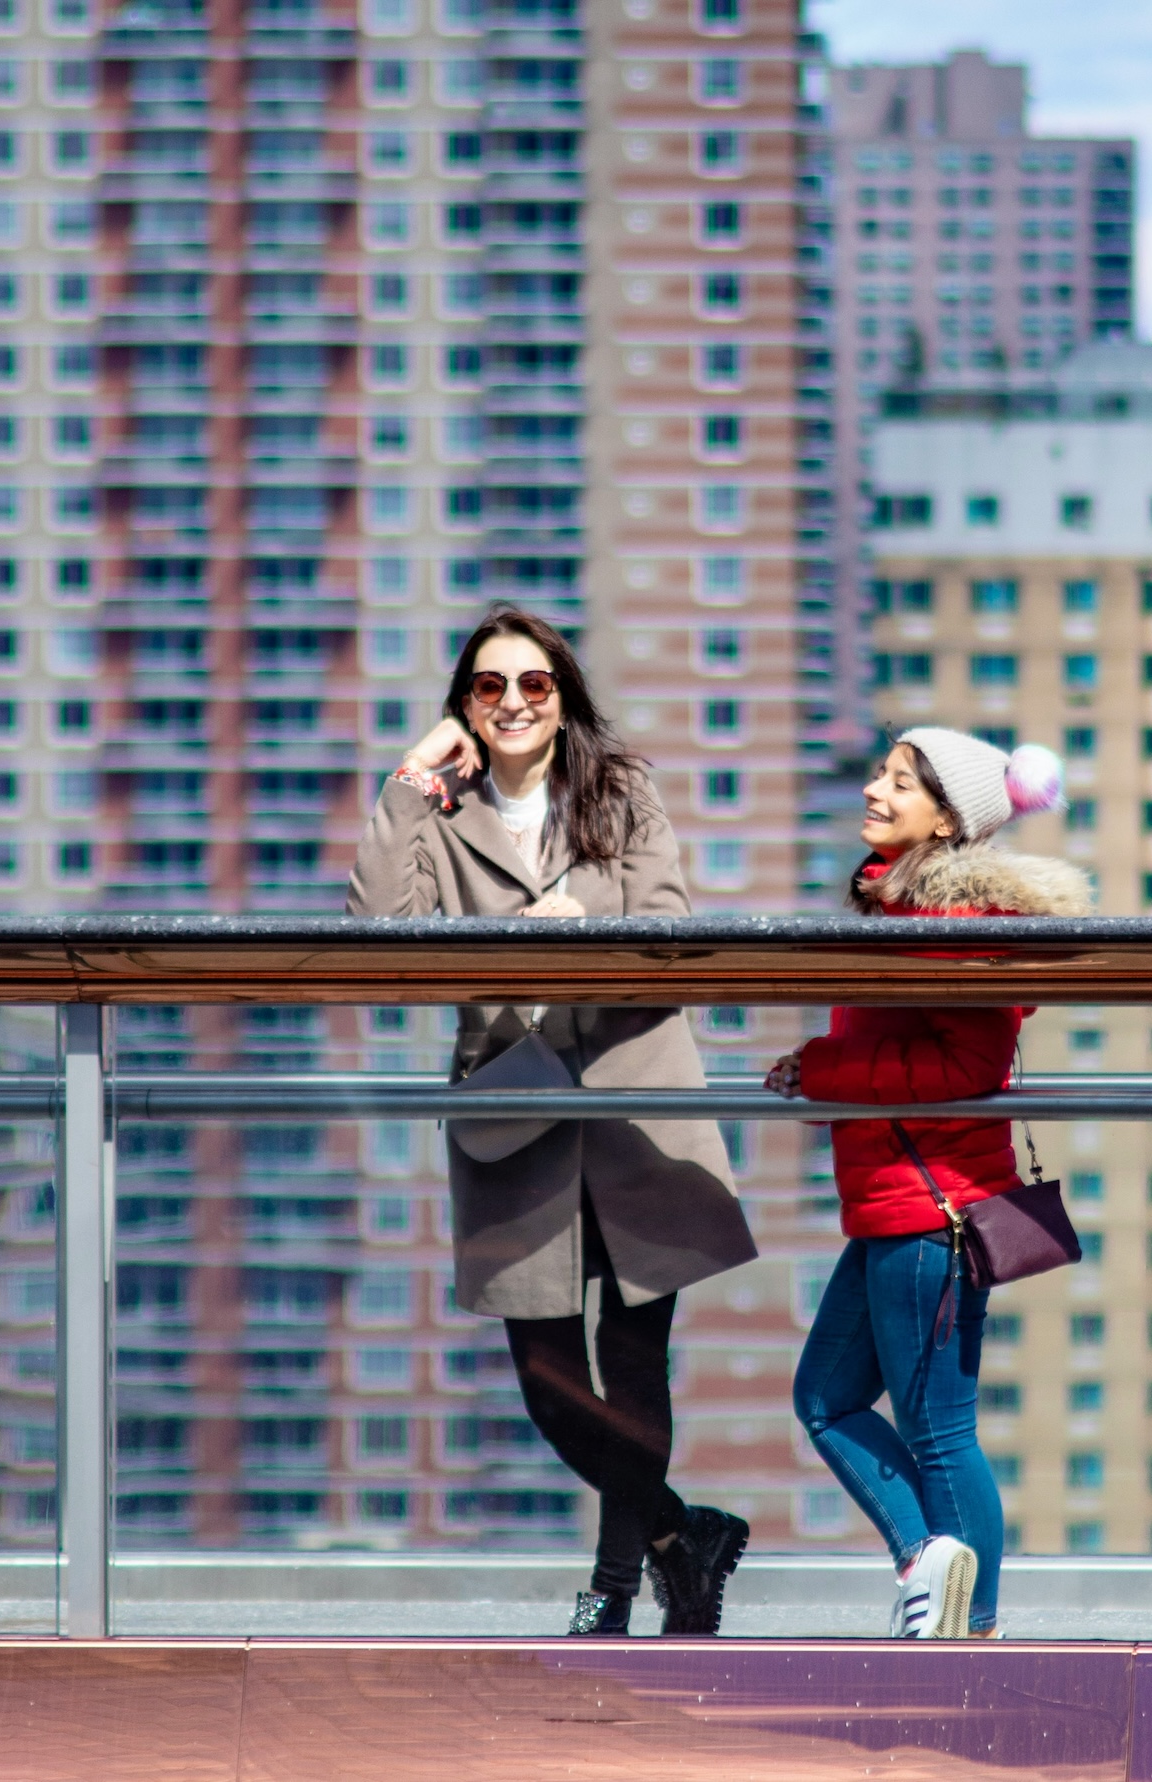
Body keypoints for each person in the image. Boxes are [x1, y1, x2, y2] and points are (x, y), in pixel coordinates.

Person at [347, 605, 757, 1638]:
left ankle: (615, 1591)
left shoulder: (618, 793)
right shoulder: (439, 817)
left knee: (630, 1363)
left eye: (534, 684)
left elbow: (667, 926)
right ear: (464, 707)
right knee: (545, 1382)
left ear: (562, 696)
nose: (514, 704)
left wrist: (587, 927)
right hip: (512, 1115)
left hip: (632, 1102)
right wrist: (405, 784)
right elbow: (374, 938)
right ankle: (679, 1535)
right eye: (489, 688)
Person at [766, 728, 1090, 1638]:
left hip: (929, 1210)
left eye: (901, 784)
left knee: (939, 1430)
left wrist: (828, 1073)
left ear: (948, 821)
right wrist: (821, 1060)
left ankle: (964, 1616)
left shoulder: (955, 929)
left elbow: (970, 1065)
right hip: (895, 1206)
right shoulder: (903, 914)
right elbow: (898, 1048)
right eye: (881, 773)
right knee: (825, 1400)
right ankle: (939, 1579)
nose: (876, 790)